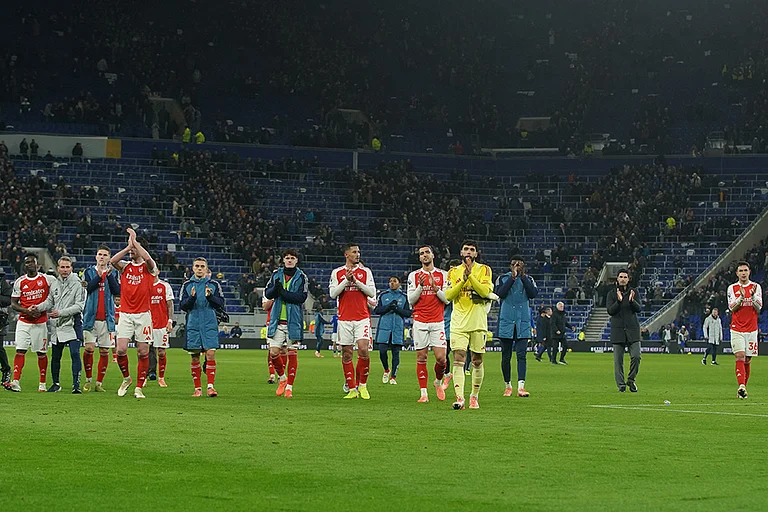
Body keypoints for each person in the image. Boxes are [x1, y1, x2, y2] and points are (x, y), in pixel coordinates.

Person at [445, 240, 495, 410]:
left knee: (477, 360)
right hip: (458, 321)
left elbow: (484, 292)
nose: (468, 252)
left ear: (476, 253)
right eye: (465, 249)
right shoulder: (452, 272)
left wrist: (470, 276)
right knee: (458, 358)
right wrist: (462, 280)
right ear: (461, 252)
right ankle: (460, 398)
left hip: (478, 321)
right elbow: (449, 295)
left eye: (472, 250)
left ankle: (474, 396)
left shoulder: (484, 269)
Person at [110, 229, 157, 399]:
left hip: (143, 315)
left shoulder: (148, 267)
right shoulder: (125, 267)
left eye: (133, 249)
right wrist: (129, 245)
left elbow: (148, 259)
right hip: (126, 314)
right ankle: (126, 379)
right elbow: (112, 260)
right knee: (121, 350)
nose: (130, 251)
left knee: (143, 352)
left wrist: (135, 242)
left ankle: (139, 387)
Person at [329, 243, 376, 399]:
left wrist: (355, 281)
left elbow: (371, 292)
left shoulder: (365, 272)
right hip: (344, 319)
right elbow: (333, 293)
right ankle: (351, 389)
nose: (357, 254)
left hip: (362, 317)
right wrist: (345, 281)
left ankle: (363, 385)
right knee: (347, 353)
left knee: (363, 349)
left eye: (359, 252)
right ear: (346, 254)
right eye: (354, 252)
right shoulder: (337, 272)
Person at [263, 249, 308, 398]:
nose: (289, 260)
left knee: (292, 353)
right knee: (274, 353)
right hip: (277, 321)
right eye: (287, 258)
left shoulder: (302, 277)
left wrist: (283, 293)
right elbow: (268, 293)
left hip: (293, 321)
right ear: (283, 260)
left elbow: (301, 297)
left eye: (292, 258)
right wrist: (276, 290)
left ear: (297, 260)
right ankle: (282, 378)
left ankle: (289, 387)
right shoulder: (276, 274)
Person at [8, 254, 56, 392]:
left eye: (32, 262)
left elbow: (57, 292)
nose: (30, 264)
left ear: (37, 264)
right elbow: (13, 303)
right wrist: (26, 311)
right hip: (24, 321)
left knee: (41, 353)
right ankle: (16, 381)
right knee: (20, 350)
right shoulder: (20, 282)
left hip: (40, 322)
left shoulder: (46, 279)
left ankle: (42, 383)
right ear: (24, 265)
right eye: (27, 262)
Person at [407, 245, 449, 402]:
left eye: (427, 253)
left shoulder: (443, 275)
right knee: (421, 357)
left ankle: (438, 382)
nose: (424, 255)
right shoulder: (414, 276)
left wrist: (435, 288)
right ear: (419, 258)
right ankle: (423, 393)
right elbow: (411, 301)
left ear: (433, 255)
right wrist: (421, 286)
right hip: (419, 321)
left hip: (437, 321)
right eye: (421, 254)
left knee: (441, 359)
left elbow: (447, 299)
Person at [180, 257, 225, 397]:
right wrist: (192, 298)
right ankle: (197, 388)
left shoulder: (214, 285)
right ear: (192, 268)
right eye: (197, 266)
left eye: (202, 266)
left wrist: (210, 297)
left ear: (206, 269)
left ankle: (210, 387)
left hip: (209, 323)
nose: (199, 268)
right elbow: (182, 306)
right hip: (193, 323)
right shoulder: (187, 285)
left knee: (210, 353)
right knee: (194, 357)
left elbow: (220, 303)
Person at [495, 256, 538, 397]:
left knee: (522, 355)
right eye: (514, 264)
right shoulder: (502, 278)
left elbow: (533, 294)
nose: (517, 267)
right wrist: (512, 278)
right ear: (510, 265)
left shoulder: (529, 279)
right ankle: (508, 385)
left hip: (523, 322)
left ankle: (521, 387)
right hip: (506, 321)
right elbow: (500, 293)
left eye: (519, 265)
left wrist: (523, 276)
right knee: (505, 356)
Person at [82, 245, 120, 392]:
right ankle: (88, 380)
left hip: (107, 319)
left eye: (105, 255)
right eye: (100, 254)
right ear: (96, 257)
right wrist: (99, 276)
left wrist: (109, 275)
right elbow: (89, 288)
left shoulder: (113, 273)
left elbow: (117, 291)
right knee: (89, 349)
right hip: (90, 318)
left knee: (104, 351)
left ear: (109, 258)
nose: (102, 257)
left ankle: (99, 383)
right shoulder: (88, 272)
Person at [48, 256, 86, 393]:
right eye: (62, 267)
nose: (65, 270)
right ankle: (55, 383)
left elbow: (79, 306)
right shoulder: (54, 284)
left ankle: (76, 385)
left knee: (75, 354)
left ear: (71, 268)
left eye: (67, 267)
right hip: (58, 324)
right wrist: (37, 307)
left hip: (73, 324)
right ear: (58, 268)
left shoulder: (78, 283)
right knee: (55, 356)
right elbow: (49, 302)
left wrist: (60, 313)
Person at [727, 261, 763, 399]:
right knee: (740, 356)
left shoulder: (756, 287)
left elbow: (759, 307)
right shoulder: (732, 288)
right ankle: (741, 385)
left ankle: (742, 390)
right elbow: (732, 307)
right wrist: (741, 297)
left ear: (749, 272)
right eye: (740, 271)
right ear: (737, 273)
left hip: (752, 329)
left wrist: (752, 296)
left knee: (747, 359)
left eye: (745, 270)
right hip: (737, 328)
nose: (743, 273)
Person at [606, 269, 642, 392]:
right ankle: (621, 385)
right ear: (617, 278)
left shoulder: (634, 292)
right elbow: (610, 310)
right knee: (618, 361)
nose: (623, 279)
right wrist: (619, 301)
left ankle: (631, 380)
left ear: (628, 279)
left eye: (625, 277)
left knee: (636, 356)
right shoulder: (611, 294)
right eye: (620, 276)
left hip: (633, 330)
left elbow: (639, 309)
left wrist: (632, 301)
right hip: (618, 331)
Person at [374, 276, 410, 386]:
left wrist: (397, 309)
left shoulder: (404, 297)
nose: (392, 283)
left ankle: (393, 377)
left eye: (394, 281)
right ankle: (386, 369)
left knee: (396, 353)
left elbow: (408, 313)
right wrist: (389, 307)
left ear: (399, 284)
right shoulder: (383, 295)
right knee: (382, 351)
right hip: (384, 328)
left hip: (397, 329)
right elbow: (377, 310)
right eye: (390, 281)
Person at [147, 271, 174, 387]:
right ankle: (143, 378)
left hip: (162, 324)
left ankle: (161, 378)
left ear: (158, 271)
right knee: (144, 352)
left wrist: (170, 321)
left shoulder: (165, 286)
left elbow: (170, 305)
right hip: (146, 324)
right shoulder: (144, 285)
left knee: (161, 352)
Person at [0, 269, 12, 388]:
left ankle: (6, 370)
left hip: (0, 320)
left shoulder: (3, 284)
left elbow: (9, 300)